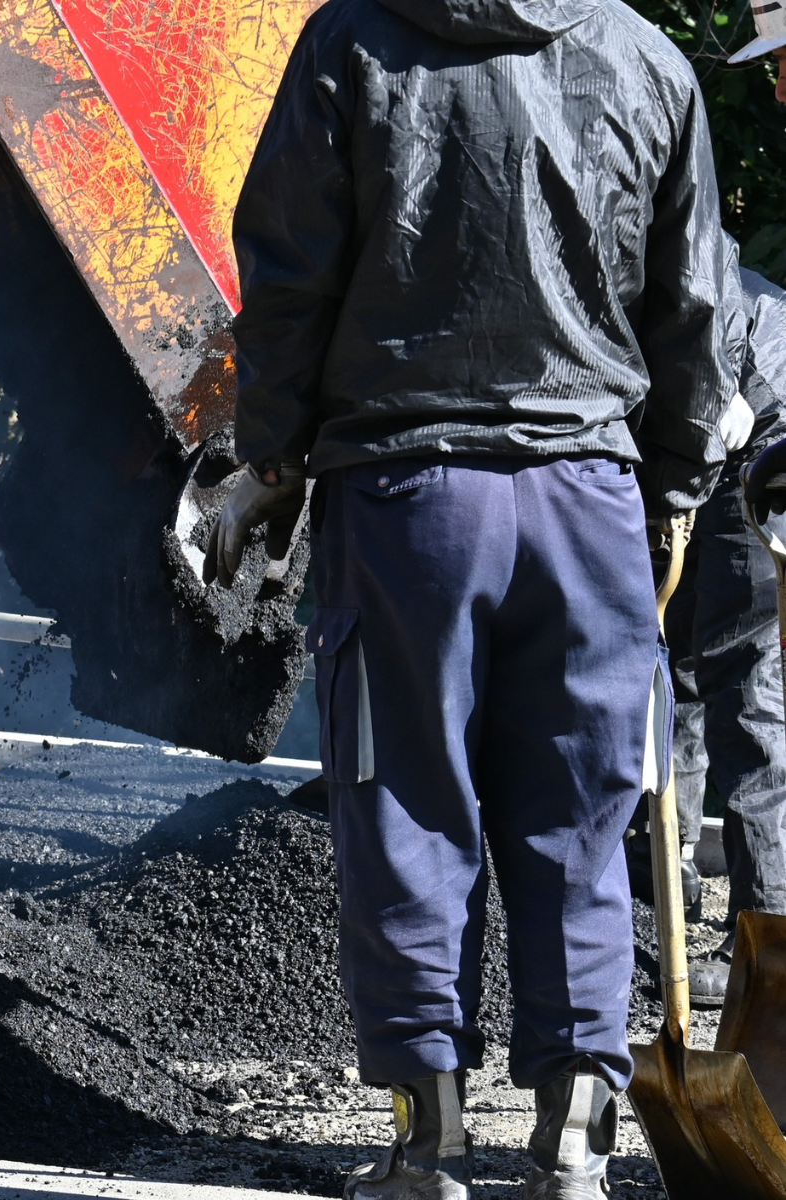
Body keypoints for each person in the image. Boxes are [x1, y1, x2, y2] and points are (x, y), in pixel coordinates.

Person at [210, 0, 727, 1191]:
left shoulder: (353, 40)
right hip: (588, 503)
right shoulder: (646, 58)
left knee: (406, 808)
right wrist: (677, 482)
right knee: (583, 819)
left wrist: (273, 454)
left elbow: (289, 271)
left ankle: (428, 1146)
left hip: (407, 508)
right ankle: (574, 1152)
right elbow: (692, 303)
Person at [655, 234, 786, 1007]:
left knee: (745, 689)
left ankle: (764, 949)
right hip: (716, 451)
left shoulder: (683, 264)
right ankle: (669, 880)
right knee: (677, 661)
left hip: (768, 451)